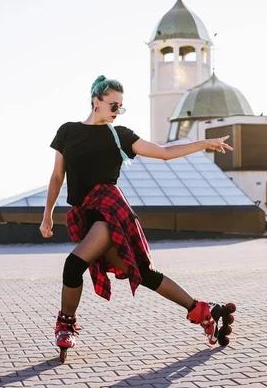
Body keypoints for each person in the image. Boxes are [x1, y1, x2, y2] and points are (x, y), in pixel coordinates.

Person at [40, 75, 236, 359]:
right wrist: (47, 214)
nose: (117, 111)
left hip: (110, 215)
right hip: (86, 215)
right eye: (113, 105)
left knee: (73, 266)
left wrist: (204, 144)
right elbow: (58, 175)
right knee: (144, 275)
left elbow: (165, 152)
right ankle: (205, 311)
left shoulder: (120, 135)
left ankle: (65, 326)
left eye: (121, 107)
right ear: (96, 102)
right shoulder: (67, 132)